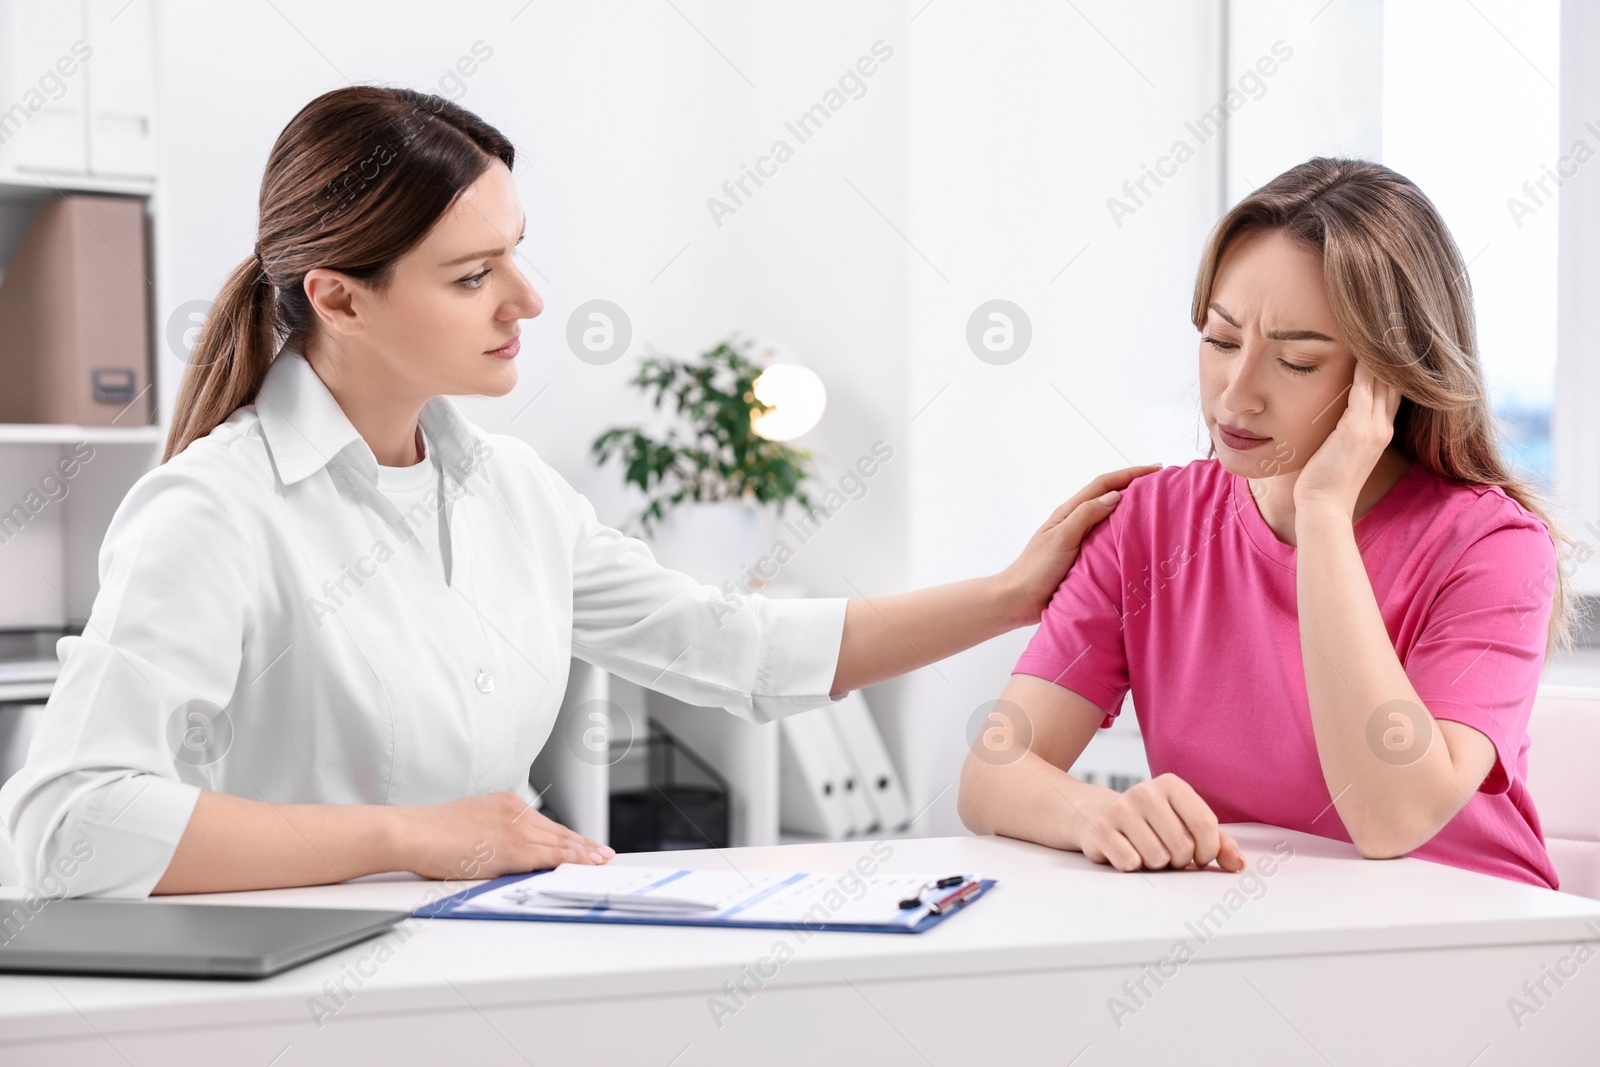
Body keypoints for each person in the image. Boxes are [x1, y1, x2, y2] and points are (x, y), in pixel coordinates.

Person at [0, 86, 1152, 899]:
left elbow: (733, 647)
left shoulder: (508, 489)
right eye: (472, 275)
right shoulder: (216, 511)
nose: (529, 299)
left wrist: (1012, 596)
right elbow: (64, 825)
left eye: (516, 249)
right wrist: (415, 836)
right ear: (339, 299)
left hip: (490, 969)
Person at [958, 157, 1574, 889]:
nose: (1236, 396)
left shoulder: (1495, 548)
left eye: (1296, 360)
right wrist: (1093, 812)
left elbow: (1390, 818)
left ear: (1388, 376)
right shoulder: (1148, 525)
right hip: (1258, 937)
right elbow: (991, 774)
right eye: (1220, 342)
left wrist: (1322, 515)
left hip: (1468, 945)